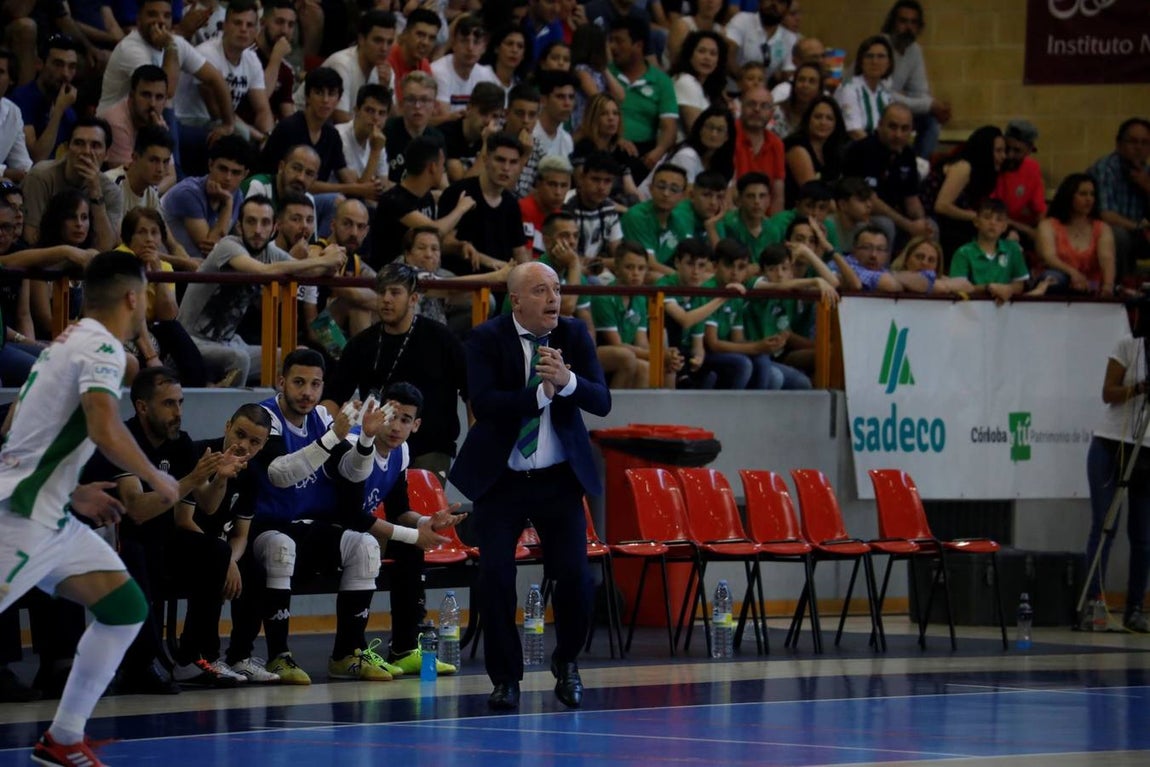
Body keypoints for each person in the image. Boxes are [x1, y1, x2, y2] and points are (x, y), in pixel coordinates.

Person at [0, 250, 180, 766]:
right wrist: (158, 478)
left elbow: (15, 426)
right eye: (147, 293)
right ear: (133, 298)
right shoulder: (100, 346)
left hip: (50, 515)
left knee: (124, 608)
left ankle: (63, 738)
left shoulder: (64, 343)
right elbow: (104, 427)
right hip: (21, 518)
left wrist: (72, 491)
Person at [225, 348, 445, 686]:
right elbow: (280, 475)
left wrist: (366, 438)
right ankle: (279, 655)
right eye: (299, 382)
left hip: (311, 526)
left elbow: (352, 473)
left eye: (315, 384)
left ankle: (347, 654)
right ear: (282, 382)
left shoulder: (321, 418)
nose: (307, 392)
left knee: (365, 546)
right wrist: (333, 437)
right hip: (265, 527)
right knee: (282, 547)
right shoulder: (266, 417)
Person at [450, 260, 611, 711]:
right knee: (496, 578)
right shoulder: (485, 338)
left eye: (556, 289)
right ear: (516, 300)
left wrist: (567, 381)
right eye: (540, 290)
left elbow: (602, 400)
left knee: (577, 578)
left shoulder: (574, 334)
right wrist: (541, 393)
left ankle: (567, 660)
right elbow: (485, 403)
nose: (553, 298)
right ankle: (505, 678)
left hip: (558, 480)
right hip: (501, 479)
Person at [80, 367, 247, 691]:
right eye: (169, 403)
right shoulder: (122, 440)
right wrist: (192, 479)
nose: (178, 412)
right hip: (118, 541)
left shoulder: (180, 442)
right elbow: (137, 510)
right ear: (142, 406)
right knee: (139, 553)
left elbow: (208, 505)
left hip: (161, 540)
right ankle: (140, 666)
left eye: (180, 402)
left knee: (215, 551)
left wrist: (220, 478)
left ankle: (190, 657)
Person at [176, 195, 346, 385]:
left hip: (253, 338)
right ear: (281, 224)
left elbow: (314, 317)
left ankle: (348, 372)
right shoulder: (234, 247)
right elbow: (266, 280)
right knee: (244, 359)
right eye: (296, 219)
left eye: (309, 220)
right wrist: (321, 262)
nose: (303, 227)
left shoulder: (345, 262)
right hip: (240, 334)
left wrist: (332, 263)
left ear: (273, 226)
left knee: (307, 354)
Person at [323, 262, 469, 482]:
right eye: (381, 292)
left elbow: (471, 391)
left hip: (430, 447)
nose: (386, 299)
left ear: (413, 299)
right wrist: (325, 438)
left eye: (395, 292)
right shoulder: (362, 343)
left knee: (422, 501)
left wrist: (475, 440)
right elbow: (333, 396)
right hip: (376, 445)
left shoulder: (441, 339)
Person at [191, 403, 278, 683]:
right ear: (227, 426)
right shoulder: (201, 454)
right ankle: (204, 655)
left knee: (256, 570)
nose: (244, 446)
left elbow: (241, 533)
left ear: (263, 445)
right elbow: (185, 519)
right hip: (188, 541)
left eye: (254, 442)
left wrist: (231, 559)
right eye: (240, 434)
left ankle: (240, 657)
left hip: (221, 548)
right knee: (215, 561)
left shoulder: (252, 473)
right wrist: (223, 558)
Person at [1083, 306, 1150, 634]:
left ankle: (1134, 608)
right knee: (1105, 526)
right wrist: (1138, 388)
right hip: (1112, 444)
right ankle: (1092, 603)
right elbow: (1108, 393)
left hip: (1147, 452)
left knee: (1143, 536)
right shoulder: (1129, 344)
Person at [98, 0, 236, 139]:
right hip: (119, 128)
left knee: (223, 141)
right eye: (152, 14)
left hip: (155, 123)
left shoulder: (175, 42)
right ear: (139, 19)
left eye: (166, 16)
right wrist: (170, 47)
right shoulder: (131, 49)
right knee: (166, 106)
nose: (160, 21)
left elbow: (216, 78)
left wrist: (228, 124)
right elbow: (165, 93)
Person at [22, 117, 122, 251]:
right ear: (67, 148)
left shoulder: (111, 191)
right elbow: (30, 238)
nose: (86, 151)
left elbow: (106, 247)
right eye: (79, 143)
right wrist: (68, 254)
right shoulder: (41, 176)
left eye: (95, 145)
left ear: (106, 154)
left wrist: (95, 190)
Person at [592, 241, 683, 388]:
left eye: (641, 268)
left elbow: (642, 342)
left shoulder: (640, 298)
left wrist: (666, 356)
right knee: (642, 366)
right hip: (601, 352)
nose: (636, 273)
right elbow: (616, 344)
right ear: (617, 268)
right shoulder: (605, 297)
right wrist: (658, 356)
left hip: (629, 353)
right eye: (629, 267)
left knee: (669, 368)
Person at [438, 132, 529, 275]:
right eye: (500, 160)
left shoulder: (511, 204)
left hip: (501, 282)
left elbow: (519, 251)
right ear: (486, 159)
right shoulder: (459, 192)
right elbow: (442, 242)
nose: (506, 168)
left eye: (513, 162)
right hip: (461, 280)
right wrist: (490, 261)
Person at [842, 103, 931, 246]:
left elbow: (912, 199)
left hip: (896, 215)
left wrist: (921, 223)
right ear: (880, 125)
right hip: (863, 213)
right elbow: (871, 201)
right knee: (885, 225)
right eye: (893, 127)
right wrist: (908, 225)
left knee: (932, 227)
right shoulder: (862, 150)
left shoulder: (907, 154)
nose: (898, 135)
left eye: (904, 129)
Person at [608, 16, 678, 184]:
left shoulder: (662, 81)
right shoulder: (606, 73)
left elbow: (669, 127)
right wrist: (617, 138)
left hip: (643, 154)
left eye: (619, 41)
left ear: (638, 45)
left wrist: (658, 152)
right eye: (611, 40)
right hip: (608, 145)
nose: (612, 47)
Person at [924, 125, 1005, 264]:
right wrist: (976, 217)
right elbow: (941, 206)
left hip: (952, 220)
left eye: (1004, 151)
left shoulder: (984, 174)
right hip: (932, 217)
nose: (1004, 156)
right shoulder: (963, 167)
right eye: (998, 151)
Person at [160, 134, 250, 260]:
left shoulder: (237, 194)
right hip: (167, 266)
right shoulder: (188, 193)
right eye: (223, 169)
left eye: (236, 172)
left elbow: (243, 241)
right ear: (210, 165)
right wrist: (228, 203)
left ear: (245, 174)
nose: (228, 178)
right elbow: (210, 253)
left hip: (197, 267)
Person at [882, 0, 950, 159]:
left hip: (896, 110)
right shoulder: (880, 46)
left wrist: (935, 106)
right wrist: (930, 105)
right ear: (892, 23)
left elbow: (920, 91)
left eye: (913, 22)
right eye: (903, 21)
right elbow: (884, 95)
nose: (908, 27)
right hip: (875, 110)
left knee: (931, 121)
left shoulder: (914, 51)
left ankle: (920, 166)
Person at [1087, 118, 1150, 278]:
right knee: (1118, 235)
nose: (1139, 148)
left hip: (1137, 232)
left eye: (1145, 143)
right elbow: (1107, 216)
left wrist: (1147, 186)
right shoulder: (1105, 169)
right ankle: (1120, 284)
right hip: (1101, 232)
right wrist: (1139, 227)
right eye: (1133, 142)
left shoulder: (1146, 171)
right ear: (1119, 144)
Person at [1035, 174, 1116, 296]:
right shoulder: (1048, 225)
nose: (1089, 199)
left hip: (1091, 286)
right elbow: (1049, 257)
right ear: (1068, 196)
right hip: (1059, 282)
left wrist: (1108, 287)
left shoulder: (1102, 229)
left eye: (1092, 194)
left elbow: (1107, 259)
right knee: (1052, 278)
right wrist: (1073, 273)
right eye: (1083, 194)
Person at [97, 65, 174, 190]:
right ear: (131, 96)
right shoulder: (116, 122)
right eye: (146, 95)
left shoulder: (155, 120)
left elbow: (172, 176)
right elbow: (130, 179)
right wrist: (152, 195)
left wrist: (158, 134)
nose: (152, 103)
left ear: (165, 100)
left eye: (159, 97)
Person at [8, 33, 80, 164]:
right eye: (58, 64)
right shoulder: (21, 100)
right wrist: (59, 110)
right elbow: (36, 159)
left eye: (71, 67)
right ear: (39, 64)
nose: (65, 74)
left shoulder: (69, 108)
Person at [316, 9, 398, 125]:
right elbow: (340, 118)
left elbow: (394, 121)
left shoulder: (385, 70)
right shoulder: (342, 64)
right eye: (378, 40)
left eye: (389, 42)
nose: (384, 48)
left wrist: (385, 90)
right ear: (361, 39)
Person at [948, 199, 1029, 303]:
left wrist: (1009, 289)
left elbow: (1019, 284)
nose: (993, 223)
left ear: (1004, 226)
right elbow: (958, 287)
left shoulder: (1013, 249)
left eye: (999, 219)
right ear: (976, 221)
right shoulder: (963, 253)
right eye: (987, 217)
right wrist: (989, 288)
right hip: (970, 309)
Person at [622, 162, 694, 275]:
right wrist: (685, 277)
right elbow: (649, 263)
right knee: (655, 276)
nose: (666, 193)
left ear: (683, 195)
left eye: (674, 189)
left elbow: (692, 256)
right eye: (661, 187)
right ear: (650, 188)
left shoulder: (682, 218)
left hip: (665, 273)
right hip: (636, 274)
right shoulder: (637, 216)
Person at [784, 95, 848, 209]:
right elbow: (814, 193)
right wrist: (844, 211)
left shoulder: (832, 150)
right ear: (808, 119)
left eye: (829, 118)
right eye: (818, 117)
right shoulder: (797, 147)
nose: (823, 122)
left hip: (823, 211)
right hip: (797, 211)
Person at [383, 71, 446, 185]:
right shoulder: (386, 132)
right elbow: (380, 183)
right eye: (411, 99)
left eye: (424, 100)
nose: (417, 106)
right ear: (401, 103)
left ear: (434, 105)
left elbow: (442, 182)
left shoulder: (436, 138)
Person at [432, 13, 499, 116]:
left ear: (484, 47)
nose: (470, 48)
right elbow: (444, 117)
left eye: (476, 42)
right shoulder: (438, 71)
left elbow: (492, 115)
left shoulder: (486, 75)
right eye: (464, 41)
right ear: (453, 44)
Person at [441, 81, 506, 183]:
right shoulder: (447, 134)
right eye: (484, 113)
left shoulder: (496, 138)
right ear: (469, 108)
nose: (488, 121)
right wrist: (486, 144)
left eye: (495, 116)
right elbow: (463, 185)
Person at [733, 87, 785, 214]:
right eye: (751, 104)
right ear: (741, 107)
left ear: (772, 112)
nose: (757, 109)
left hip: (765, 221)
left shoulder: (776, 143)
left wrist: (774, 224)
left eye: (764, 106)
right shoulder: (728, 136)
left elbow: (777, 196)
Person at [995, 119, 1047, 245]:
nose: (1009, 155)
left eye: (1017, 150)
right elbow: (991, 212)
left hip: (1019, 229)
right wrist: (1028, 231)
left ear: (1029, 150)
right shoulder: (995, 164)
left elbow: (1040, 211)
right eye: (1007, 148)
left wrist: (1042, 234)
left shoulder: (1032, 168)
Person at [836, 35, 894, 142]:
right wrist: (877, 149)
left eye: (881, 56)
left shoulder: (886, 94)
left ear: (889, 63)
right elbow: (854, 131)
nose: (875, 61)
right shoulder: (849, 88)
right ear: (861, 61)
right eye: (869, 56)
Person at [671, 30, 729, 136]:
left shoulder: (705, 89)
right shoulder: (686, 81)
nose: (707, 58)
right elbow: (696, 132)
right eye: (701, 51)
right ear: (690, 54)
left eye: (713, 54)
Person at [726, 0, 796, 84]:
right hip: (731, 87)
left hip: (764, 91)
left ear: (786, 9)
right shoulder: (742, 20)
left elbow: (788, 74)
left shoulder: (790, 38)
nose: (774, 4)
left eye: (780, 1)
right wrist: (747, 83)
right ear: (759, 2)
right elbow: (728, 56)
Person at [889, 236, 973, 296]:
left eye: (931, 260)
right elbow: (920, 282)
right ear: (906, 260)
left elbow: (967, 286)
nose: (925, 263)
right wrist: (942, 287)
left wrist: (942, 285)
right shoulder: (893, 276)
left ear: (937, 266)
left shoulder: (939, 279)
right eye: (919, 257)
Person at [388, 8, 441, 104]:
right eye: (420, 35)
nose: (425, 42)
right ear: (405, 33)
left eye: (431, 38)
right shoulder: (388, 61)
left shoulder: (424, 64)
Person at [770, 61, 822, 141]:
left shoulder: (824, 116)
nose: (805, 85)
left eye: (812, 81)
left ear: (819, 88)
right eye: (801, 80)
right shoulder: (776, 111)